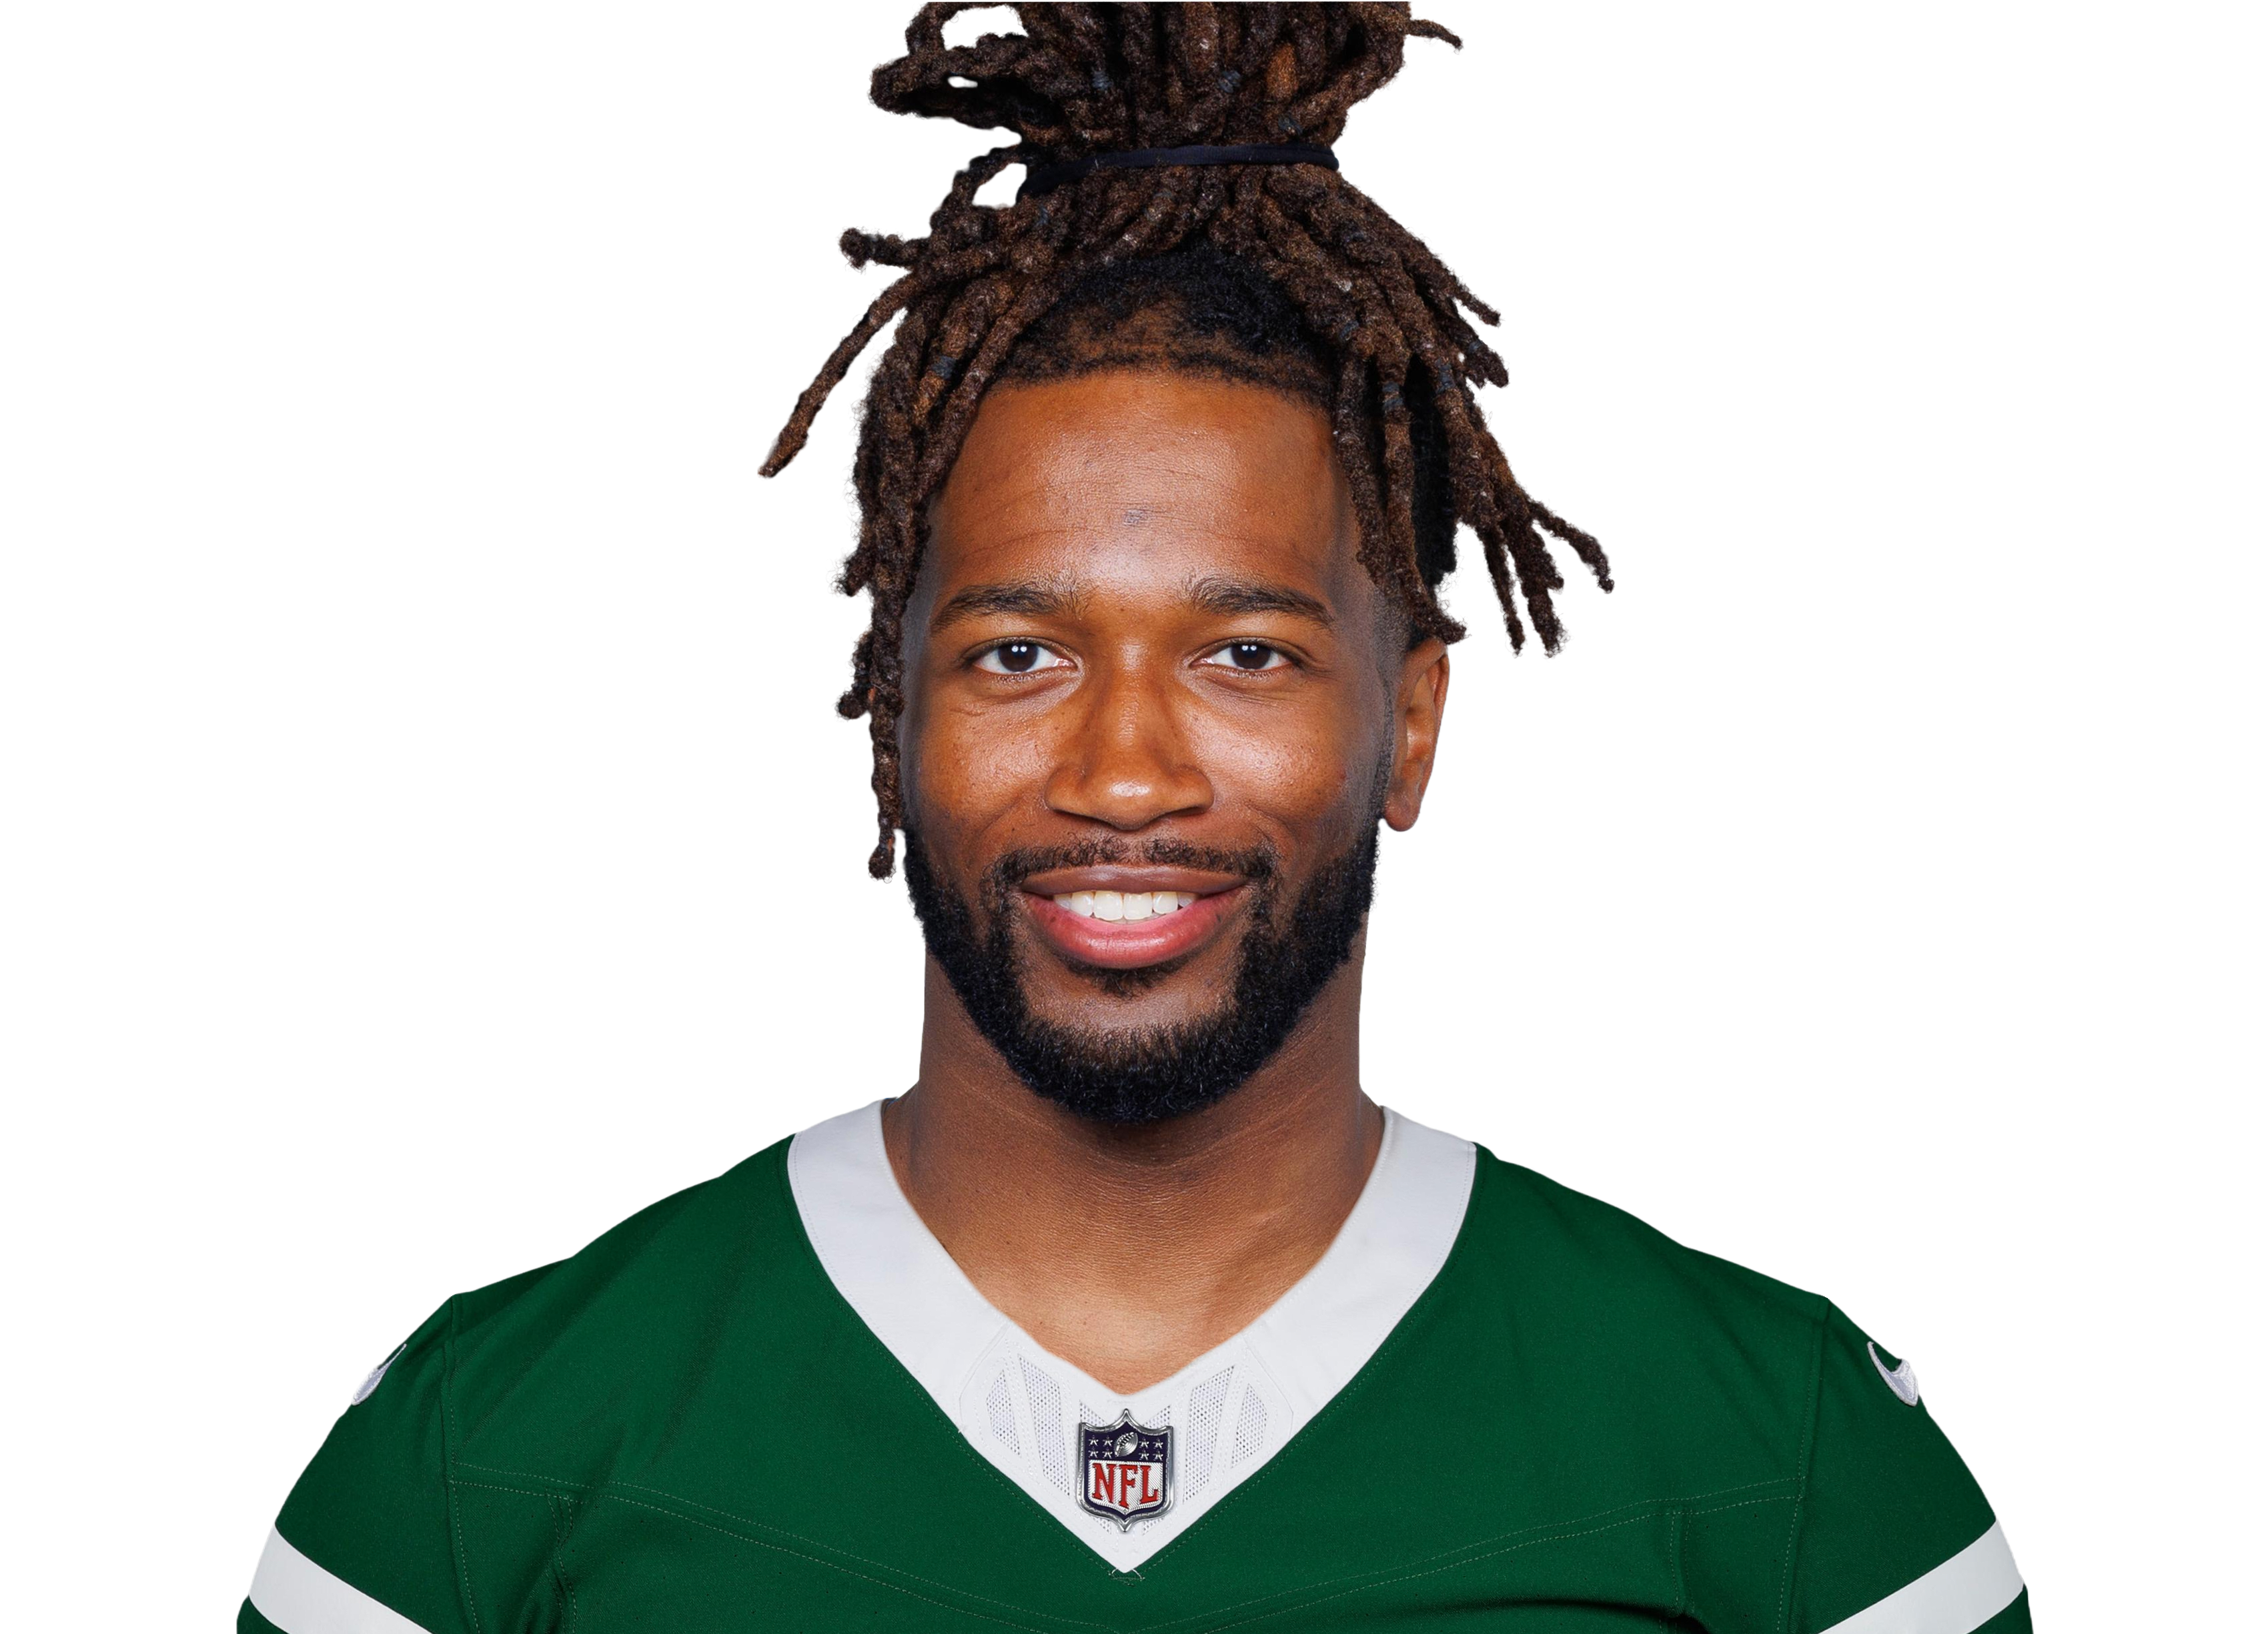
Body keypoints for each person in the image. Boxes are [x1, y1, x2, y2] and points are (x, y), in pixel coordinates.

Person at [241, 6, 2027, 1629]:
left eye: (1245, 654)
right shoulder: (478, 1465)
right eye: (1018, 653)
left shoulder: (1789, 1467)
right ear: (891, 717)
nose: (1119, 775)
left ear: (1411, 726)